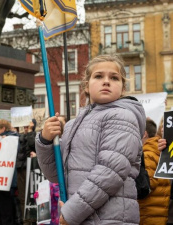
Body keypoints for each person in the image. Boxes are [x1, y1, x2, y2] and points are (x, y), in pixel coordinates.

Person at [36, 54, 146, 225]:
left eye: (114, 78)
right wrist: (45, 141)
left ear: (122, 88)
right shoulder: (73, 125)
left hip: (109, 218)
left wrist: (71, 213)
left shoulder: (122, 117)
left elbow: (109, 173)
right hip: (82, 217)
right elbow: (55, 174)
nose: (106, 81)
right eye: (99, 76)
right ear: (86, 86)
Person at [138, 118, 170, 225]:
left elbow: (146, 186)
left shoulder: (148, 154)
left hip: (148, 216)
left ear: (144, 134)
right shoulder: (159, 151)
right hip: (155, 215)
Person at [0, 119, 19, 225]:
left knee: (6, 206)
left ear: (3, 128)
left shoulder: (12, 138)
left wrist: (7, 142)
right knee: (1, 205)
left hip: (8, 180)